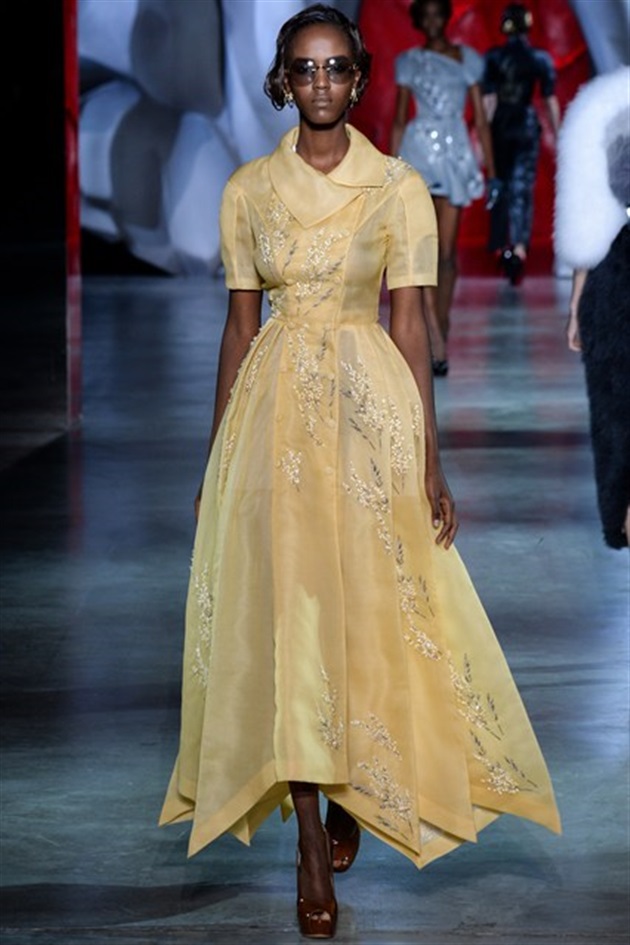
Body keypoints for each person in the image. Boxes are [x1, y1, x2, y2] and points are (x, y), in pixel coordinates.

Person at [160, 4, 560, 939]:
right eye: (305, 68)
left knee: (365, 602)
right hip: (273, 418)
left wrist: (429, 457)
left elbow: (412, 323)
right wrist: (218, 454)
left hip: (365, 409)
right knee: (291, 613)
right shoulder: (249, 191)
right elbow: (239, 326)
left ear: (360, 77)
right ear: (282, 81)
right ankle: (309, 840)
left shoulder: (397, 186)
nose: (322, 83)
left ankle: (344, 785)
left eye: (337, 67)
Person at [390, 0, 498, 376]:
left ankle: (442, 321)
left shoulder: (468, 59)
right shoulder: (408, 61)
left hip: (454, 154)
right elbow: (399, 118)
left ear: (446, 18)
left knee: (447, 253)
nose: (433, 21)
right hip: (418, 152)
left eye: (438, 14)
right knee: (422, 248)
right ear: (419, 21)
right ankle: (434, 335)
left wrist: (493, 170)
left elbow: (481, 120)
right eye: (427, 15)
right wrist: (390, 170)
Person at [555, 66, 630, 550]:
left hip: (612, 277)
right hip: (615, 278)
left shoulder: (603, 105)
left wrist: (578, 304)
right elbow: (590, 214)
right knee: (617, 413)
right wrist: (578, 304)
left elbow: (588, 215)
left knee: (619, 415)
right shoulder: (604, 106)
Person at [483, 3, 560, 284]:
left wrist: (484, 134)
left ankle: (503, 247)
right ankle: (518, 248)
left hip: (501, 125)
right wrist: (559, 134)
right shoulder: (539, 58)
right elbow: (549, 99)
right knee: (521, 188)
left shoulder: (494, 57)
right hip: (525, 125)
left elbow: (489, 101)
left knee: (501, 185)